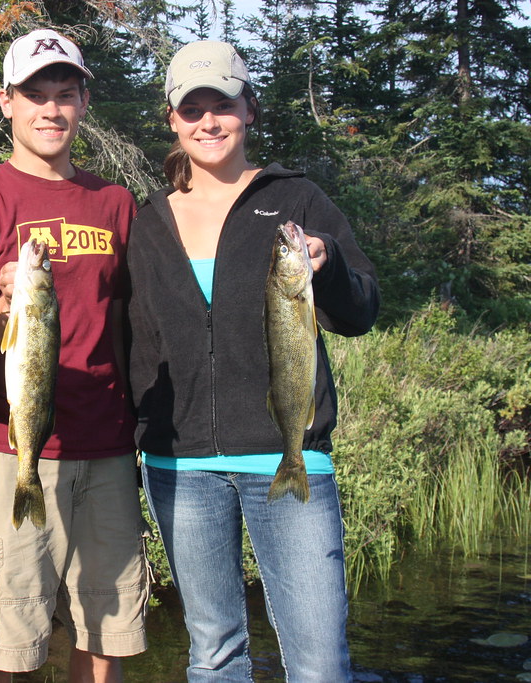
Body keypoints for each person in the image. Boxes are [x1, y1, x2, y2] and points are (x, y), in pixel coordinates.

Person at [125, 40, 379, 681]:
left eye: (223, 105)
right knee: (214, 655)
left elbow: (360, 312)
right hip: (180, 466)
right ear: (173, 119)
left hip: (287, 456)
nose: (208, 122)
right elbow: (133, 338)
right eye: (192, 109)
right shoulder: (147, 220)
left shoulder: (296, 199)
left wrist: (329, 265)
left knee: (319, 664)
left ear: (250, 110)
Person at [0, 28, 150, 683]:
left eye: (65, 94)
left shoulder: (116, 204)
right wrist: (10, 304)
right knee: (1, 650)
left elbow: (132, 327)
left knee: (106, 639)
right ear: (6, 102)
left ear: (83, 103)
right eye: (35, 95)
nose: (51, 109)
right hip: (9, 453)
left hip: (107, 450)